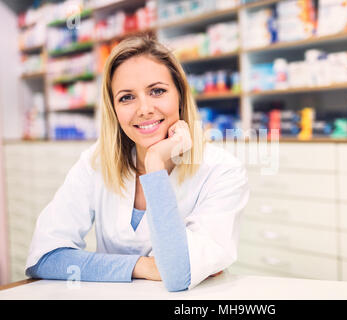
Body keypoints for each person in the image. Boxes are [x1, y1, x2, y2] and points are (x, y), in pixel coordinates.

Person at [25, 34, 250, 292]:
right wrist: (142, 266)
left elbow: (177, 275)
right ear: (114, 109)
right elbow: (44, 257)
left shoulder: (222, 172)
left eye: (157, 91)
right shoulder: (96, 162)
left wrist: (155, 164)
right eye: (126, 97)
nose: (144, 109)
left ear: (180, 95)